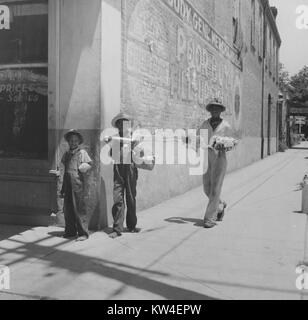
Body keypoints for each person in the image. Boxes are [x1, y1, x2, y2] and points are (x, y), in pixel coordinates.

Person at [104, 113, 141, 239]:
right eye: (119, 124)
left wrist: (135, 145)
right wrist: (111, 144)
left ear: (128, 125)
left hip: (130, 169)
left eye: (124, 123)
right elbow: (111, 155)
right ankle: (117, 228)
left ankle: (131, 225)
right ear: (117, 126)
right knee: (118, 199)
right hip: (118, 170)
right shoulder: (115, 138)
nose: (122, 126)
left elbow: (140, 155)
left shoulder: (133, 138)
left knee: (131, 198)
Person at [198, 101, 233, 229]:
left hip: (219, 157)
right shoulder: (205, 124)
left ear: (220, 111)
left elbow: (233, 141)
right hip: (206, 157)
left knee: (215, 189)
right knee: (207, 188)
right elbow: (199, 138)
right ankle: (220, 205)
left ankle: (209, 218)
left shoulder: (226, 126)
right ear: (210, 111)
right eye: (212, 109)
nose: (214, 111)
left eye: (217, 109)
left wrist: (224, 144)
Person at [60, 129, 92, 241]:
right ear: (68, 142)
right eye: (71, 140)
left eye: (75, 141)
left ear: (79, 142)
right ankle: (70, 231)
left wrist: (85, 167)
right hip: (67, 184)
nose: (73, 143)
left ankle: (83, 233)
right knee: (68, 208)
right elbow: (64, 168)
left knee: (79, 209)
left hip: (78, 185)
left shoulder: (82, 153)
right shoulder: (66, 154)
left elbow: (89, 164)